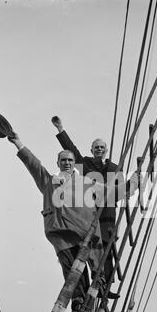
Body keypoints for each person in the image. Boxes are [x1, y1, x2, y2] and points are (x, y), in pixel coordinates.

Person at [6, 130, 139, 312]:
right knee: (72, 275)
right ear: (58, 163)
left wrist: (135, 180)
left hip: (86, 234)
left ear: (73, 163)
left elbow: (113, 194)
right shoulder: (49, 181)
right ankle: (78, 309)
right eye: (63, 160)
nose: (67, 163)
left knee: (95, 270)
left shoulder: (87, 183)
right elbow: (33, 165)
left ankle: (95, 292)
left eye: (70, 160)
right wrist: (18, 143)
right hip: (61, 234)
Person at [52, 116, 123, 299]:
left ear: (106, 151)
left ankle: (104, 286)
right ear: (91, 150)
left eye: (102, 147)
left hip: (108, 212)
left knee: (106, 248)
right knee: (89, 247)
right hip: (89, 213)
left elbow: (121, 191)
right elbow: (72, 150)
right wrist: (61, 129)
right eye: (96, 147)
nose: (99, 150)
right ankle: (85, 288)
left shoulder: (115, 168)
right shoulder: (86, 164)